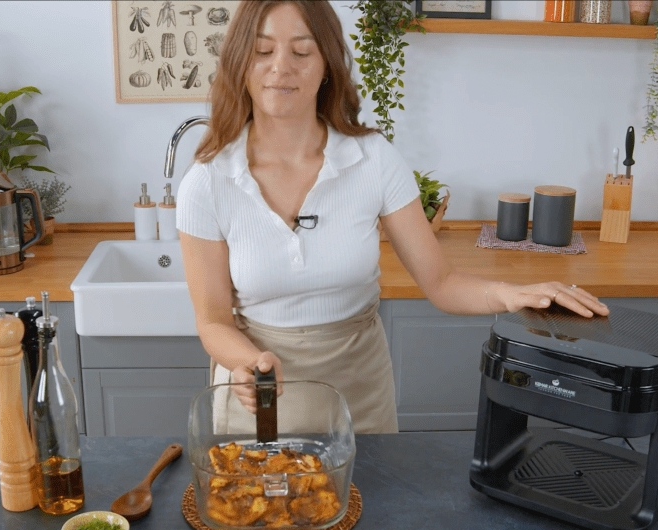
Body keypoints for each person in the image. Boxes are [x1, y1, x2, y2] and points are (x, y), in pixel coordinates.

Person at [177, 0, 609, 434]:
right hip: (260, 402)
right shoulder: (208, 182)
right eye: (262, 50)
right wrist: (246, 362)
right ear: (239, 62)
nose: (281, 67)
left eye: (302, 52)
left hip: (359, 399)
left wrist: (513, 295)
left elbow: (441, 283)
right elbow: (213, 320)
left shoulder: (373, 160)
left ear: (327, 63)